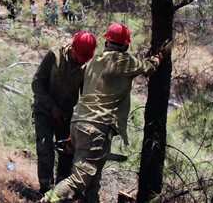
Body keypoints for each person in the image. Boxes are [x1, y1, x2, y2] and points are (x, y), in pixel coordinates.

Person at [41, 23, 170, 203]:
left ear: (107, 42)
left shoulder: (93, 62)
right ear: (125, 45)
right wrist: (160, 55)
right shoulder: (125, 62)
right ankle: (46, 201)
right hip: (97, 129)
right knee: (78, 184)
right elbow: (149, 67)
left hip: (78, 124)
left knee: (92, 184)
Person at [32, 31, 97, 194]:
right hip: (44, 111)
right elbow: (37, 83)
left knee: (67, 153)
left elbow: (86, 98)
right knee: (45, 149)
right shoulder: (55, 55)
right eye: (80, 55)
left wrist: (79, 124)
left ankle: (60, 193)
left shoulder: (87, 67)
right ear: (73, 47)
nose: (81, 60)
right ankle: (45, 191)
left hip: (66, 116)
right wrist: (51, 107)